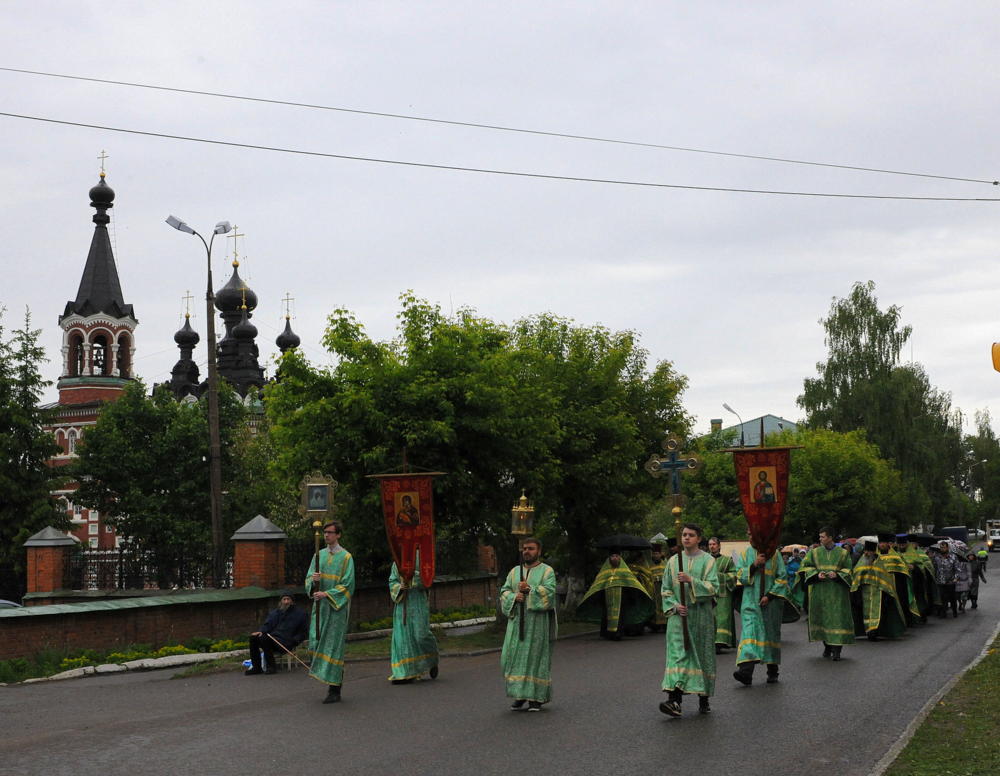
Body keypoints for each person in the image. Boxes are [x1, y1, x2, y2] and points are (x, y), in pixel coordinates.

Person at [659, 522, 719, 718]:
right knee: (678, 655)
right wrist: (675, 605)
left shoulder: (708, 561)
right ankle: (674, 700)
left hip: (700, 618)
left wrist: (692, 581)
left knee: (701, 656)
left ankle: (704, 698)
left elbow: (713, 588)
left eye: (691, 535)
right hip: (678, 617)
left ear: (698, 539)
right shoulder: (673, 561)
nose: (686, 538)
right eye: (684, 534)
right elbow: (666, 589)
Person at [499, 537, 557, 711]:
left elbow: (550, 592)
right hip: (516, 623)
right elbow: (504, 591)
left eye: (531, 548)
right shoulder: (514, 572)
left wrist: (531, 590)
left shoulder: (547, 571)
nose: (527, 551)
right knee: (514, 657)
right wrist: (514, 596)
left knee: (535, 659)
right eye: (524, 548)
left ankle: (535, 698)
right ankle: (519, 695)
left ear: (539, 551)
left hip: (537, 624)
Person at [306, 519, 356, 704]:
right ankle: (327, 678)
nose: (326, 535)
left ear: (338, 535)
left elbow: (348, 585)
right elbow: (308, 578)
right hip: (320, 607)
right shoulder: (318, 555)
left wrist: (327, 593)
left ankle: (335, 688)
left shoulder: (346, 558)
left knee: (334, 647)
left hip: (336, 608)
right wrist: (313, 580)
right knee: (318, 641)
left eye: (330, 532)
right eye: (325, 532)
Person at [733, 536, 791, 685]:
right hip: (750, 602)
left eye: (752, 534)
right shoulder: (746, 553)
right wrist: (754, 565)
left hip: (770, 605)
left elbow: (782, 577)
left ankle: (772, 671)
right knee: (749, 633)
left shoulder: (775, 554)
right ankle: (746, 672)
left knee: (769, 635)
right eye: (748, 534)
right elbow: (739, 574)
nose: (750, 537)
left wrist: (770, 596)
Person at [798, 527, 855, 660]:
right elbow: (805, 566)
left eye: (822, 536)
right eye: (820, 536)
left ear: (830, 538)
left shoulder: (843, 553)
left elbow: (849, 570)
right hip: (820, 591)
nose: (820, 539)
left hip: (837, 593)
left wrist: (837, 575)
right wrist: (816, 575)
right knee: (823, 619)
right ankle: (827, 646)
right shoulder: (814, 552)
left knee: (837, 620)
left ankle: (837, 651)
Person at [576, 550, 654, 640]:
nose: (615, 558)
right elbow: (598, 585)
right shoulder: (604, 571)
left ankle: (618, 633)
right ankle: (608, 633)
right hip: (607, 598)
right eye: (612, 556)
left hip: (622, 598)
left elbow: (631, 584)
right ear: (609, 558)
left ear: (620, 558)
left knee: (620, 616)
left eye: (617, 556)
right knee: (607, 615)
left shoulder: (624, 571)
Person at [387, 554, 439, 684]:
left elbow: (428, 580)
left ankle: (432, 659)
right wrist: (400, 587)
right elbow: (392, 580)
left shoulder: (423, 556)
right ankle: (404, 672)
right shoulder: (398, 559)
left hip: (418, 603)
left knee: (421, 636)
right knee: (402, 638)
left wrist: (411, 581)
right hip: (402, 604)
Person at [851, 535, 909, 640]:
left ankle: (874, 631)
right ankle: (868, 631)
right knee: (865, 613)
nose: (867, 553)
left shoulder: (879, 563)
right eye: (866, 551)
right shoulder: (861, 562)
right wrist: (855, 593)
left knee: (878, 613)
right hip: (864, 592)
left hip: (878, 592)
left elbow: (885, 579)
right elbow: (856, 577)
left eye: (869, 551)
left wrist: (886, 593)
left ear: (874, 552)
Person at [245, 591, 309, 675]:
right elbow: (267, 625)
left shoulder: (300, 614)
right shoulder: (275, 613)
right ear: (281, 601)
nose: (286, 602)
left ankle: (271, 667)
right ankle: (256, 667)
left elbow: (303, 632)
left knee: (264, 638)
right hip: (272, 639)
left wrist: (295, 641)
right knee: (253, 638)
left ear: (292, 601)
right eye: (284, 599)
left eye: (288, 599)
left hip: (286, 642)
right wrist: (261, 631)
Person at [708, 536, 736, 653]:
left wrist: (719, 576)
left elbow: (734, 575)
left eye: (714, 544)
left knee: (723, 618)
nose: (712, 546)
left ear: (719, 546)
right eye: (710, 544)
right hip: (709, 594)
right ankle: (711, 642)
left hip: (724, 595)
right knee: (711, 618)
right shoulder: (705, 560)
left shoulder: (727, 560)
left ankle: (720, 643)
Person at [932, 540, 959, 618]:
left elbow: (957, 569)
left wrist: (956, 578)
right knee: (942, 597)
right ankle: (944, 613)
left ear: (947, 548)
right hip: (940, 581)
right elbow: (935, 568)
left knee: (952, 597)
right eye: (941, 547)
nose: (942, 549)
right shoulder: (937, 557)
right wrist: (935, 577)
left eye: (944, 547)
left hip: (951, 581)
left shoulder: (953, 556)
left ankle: (954, 611)